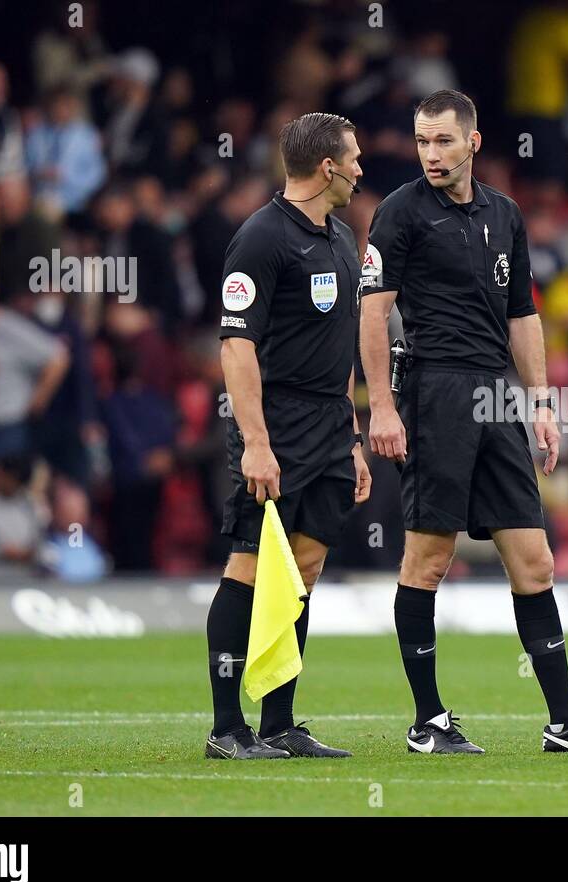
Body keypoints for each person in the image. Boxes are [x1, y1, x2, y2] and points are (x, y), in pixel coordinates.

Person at [359, 89, 568, 755]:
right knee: (429, 557)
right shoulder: (399, 214)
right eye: (423, 142)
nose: (431, 154)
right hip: (435, 392)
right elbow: (373, 312)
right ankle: (428, 721)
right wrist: (380, 404)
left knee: (536, 561)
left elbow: (523, 315)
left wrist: (541, 400)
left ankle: (566, 722)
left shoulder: (504, 215)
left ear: (474, 142)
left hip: (497, 396)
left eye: (443, 141)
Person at [204, 113, 370, 760]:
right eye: (353, 158)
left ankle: (278, 723)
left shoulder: (341, 236)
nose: (360, 167)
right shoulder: (259, 239)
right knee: (249, 564)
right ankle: (225, 727)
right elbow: (236, 346)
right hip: (275, 423)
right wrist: (255, 441)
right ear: (327, 166)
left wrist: (351, 435)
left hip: (330, 425)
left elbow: (339, 346)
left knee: (303, 569)